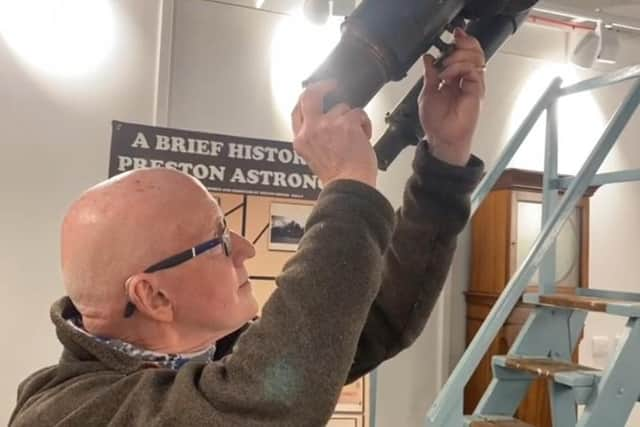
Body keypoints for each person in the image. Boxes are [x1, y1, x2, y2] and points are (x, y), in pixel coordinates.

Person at [10, 28, 485, 427]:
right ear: (153, 297)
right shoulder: (68, 412)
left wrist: (445, 157)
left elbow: (377, 318)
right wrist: (348, 186)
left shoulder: (210, 357)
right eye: (217, 241)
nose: (244, 249)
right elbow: (271, 403)